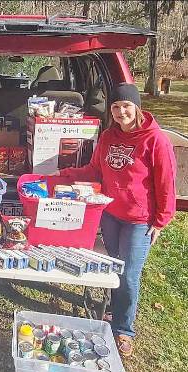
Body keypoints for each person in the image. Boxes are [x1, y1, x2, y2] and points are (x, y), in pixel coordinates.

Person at [54, 83, 176, 357]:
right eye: (116, 107)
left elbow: (166, 183)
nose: (121, 112)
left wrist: (160, 220)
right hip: (109, 213)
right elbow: (95, 170)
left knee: (129, 275)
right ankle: (111, 309)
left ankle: (124, 329)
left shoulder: (155, 140)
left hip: (138, 219)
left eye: (126, 106)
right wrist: (67, 173)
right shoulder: (109, 136)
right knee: (112, 269)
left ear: (137, 107)